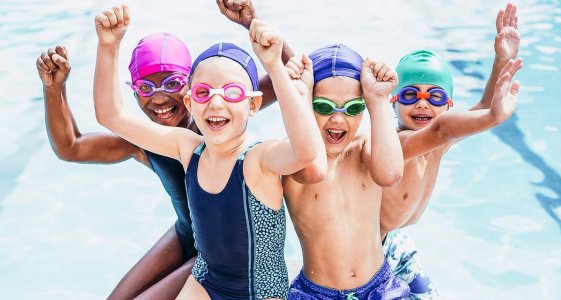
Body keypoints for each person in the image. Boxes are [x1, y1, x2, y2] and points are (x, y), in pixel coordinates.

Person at [36, 3, 294, 299]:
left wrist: (252, 23)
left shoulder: (216, 126)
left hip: (223, 254)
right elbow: (72, 147)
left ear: (191, 89)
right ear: (133, 92)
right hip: (187, 235)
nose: (159, 98)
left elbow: (293, 78)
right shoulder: (145, 141)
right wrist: (54, 90)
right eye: (145, 88)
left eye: (172, 83)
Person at [93, 5, 324, 300]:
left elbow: (305, 151)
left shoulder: (258, 159)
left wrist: (276, 68)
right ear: (190, 103)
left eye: (232, 93)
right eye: (203, 93)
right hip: (205, 279)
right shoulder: (188, 148)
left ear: (253, 105)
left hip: (258, 292)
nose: (215, 103)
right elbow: (110, 115)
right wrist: (108, 45)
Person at [380, 2, 522, 237]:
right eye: (409, 95)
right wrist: (493, 117)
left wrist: (502, 60)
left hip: (397, 240)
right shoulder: (396, 146)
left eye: (435, 97)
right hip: (372, 248)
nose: (422, 103)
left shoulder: (437, 146)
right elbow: (441, 130)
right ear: (393, 102)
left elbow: (483, 107)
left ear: (449, 105)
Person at [283, 44, 410, 299]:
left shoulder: (364, 148)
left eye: (352, 108)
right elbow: (314, 170)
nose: (338, 119)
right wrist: (299, 98)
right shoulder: (293, 157)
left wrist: (378, 100)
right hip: (315, 293)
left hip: (379, 286)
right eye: (323, 106)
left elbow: (391, 174)